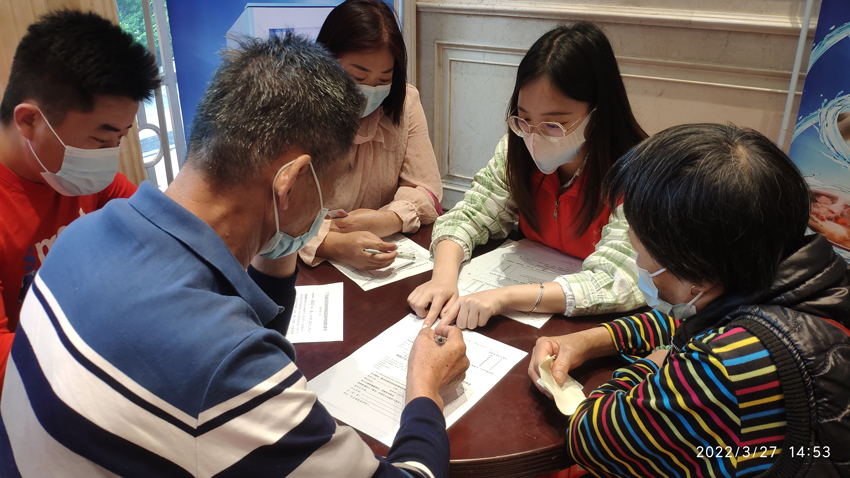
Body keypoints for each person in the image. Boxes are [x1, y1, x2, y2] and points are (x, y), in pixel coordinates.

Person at [0, 34, 469, 477]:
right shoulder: (223, 368)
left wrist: (279, 235)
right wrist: (425, 388)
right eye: (329, 187)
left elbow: (246, 330)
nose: (327, 205)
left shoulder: (80, 236)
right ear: (292, 182)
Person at [528, 124, 850, 477]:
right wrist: (591, 340)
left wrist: (656, 361)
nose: (636, 262)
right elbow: (690, 320)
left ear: (695, 275)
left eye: (638, 250)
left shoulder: (722, 366)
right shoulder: (805, 280)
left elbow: (592, 438)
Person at [409, 22, 647, 329]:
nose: (534, 137)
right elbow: (469, 215)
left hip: (595, 327)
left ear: (597, 115)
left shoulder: (638, 175)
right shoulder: (517, 151)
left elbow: (620, 279)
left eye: (553, 125)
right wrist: (442, 279)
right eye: (524, 119)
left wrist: (505, 297)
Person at [0, 10, 160, 394]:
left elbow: (157, 228)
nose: (110, 155)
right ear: (29, 121)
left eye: (120, 138)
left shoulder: (78, 174)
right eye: (100, 140)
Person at [299, 0, 443, 271]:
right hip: (303, 267)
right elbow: (267, 215)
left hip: (376, 256)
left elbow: (427, 191)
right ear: (324, 62)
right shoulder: (294, 109)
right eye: (357, 78)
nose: (370, 91)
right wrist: (331, 243)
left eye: (384, 80)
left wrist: (388, 219)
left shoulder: (404, 103)